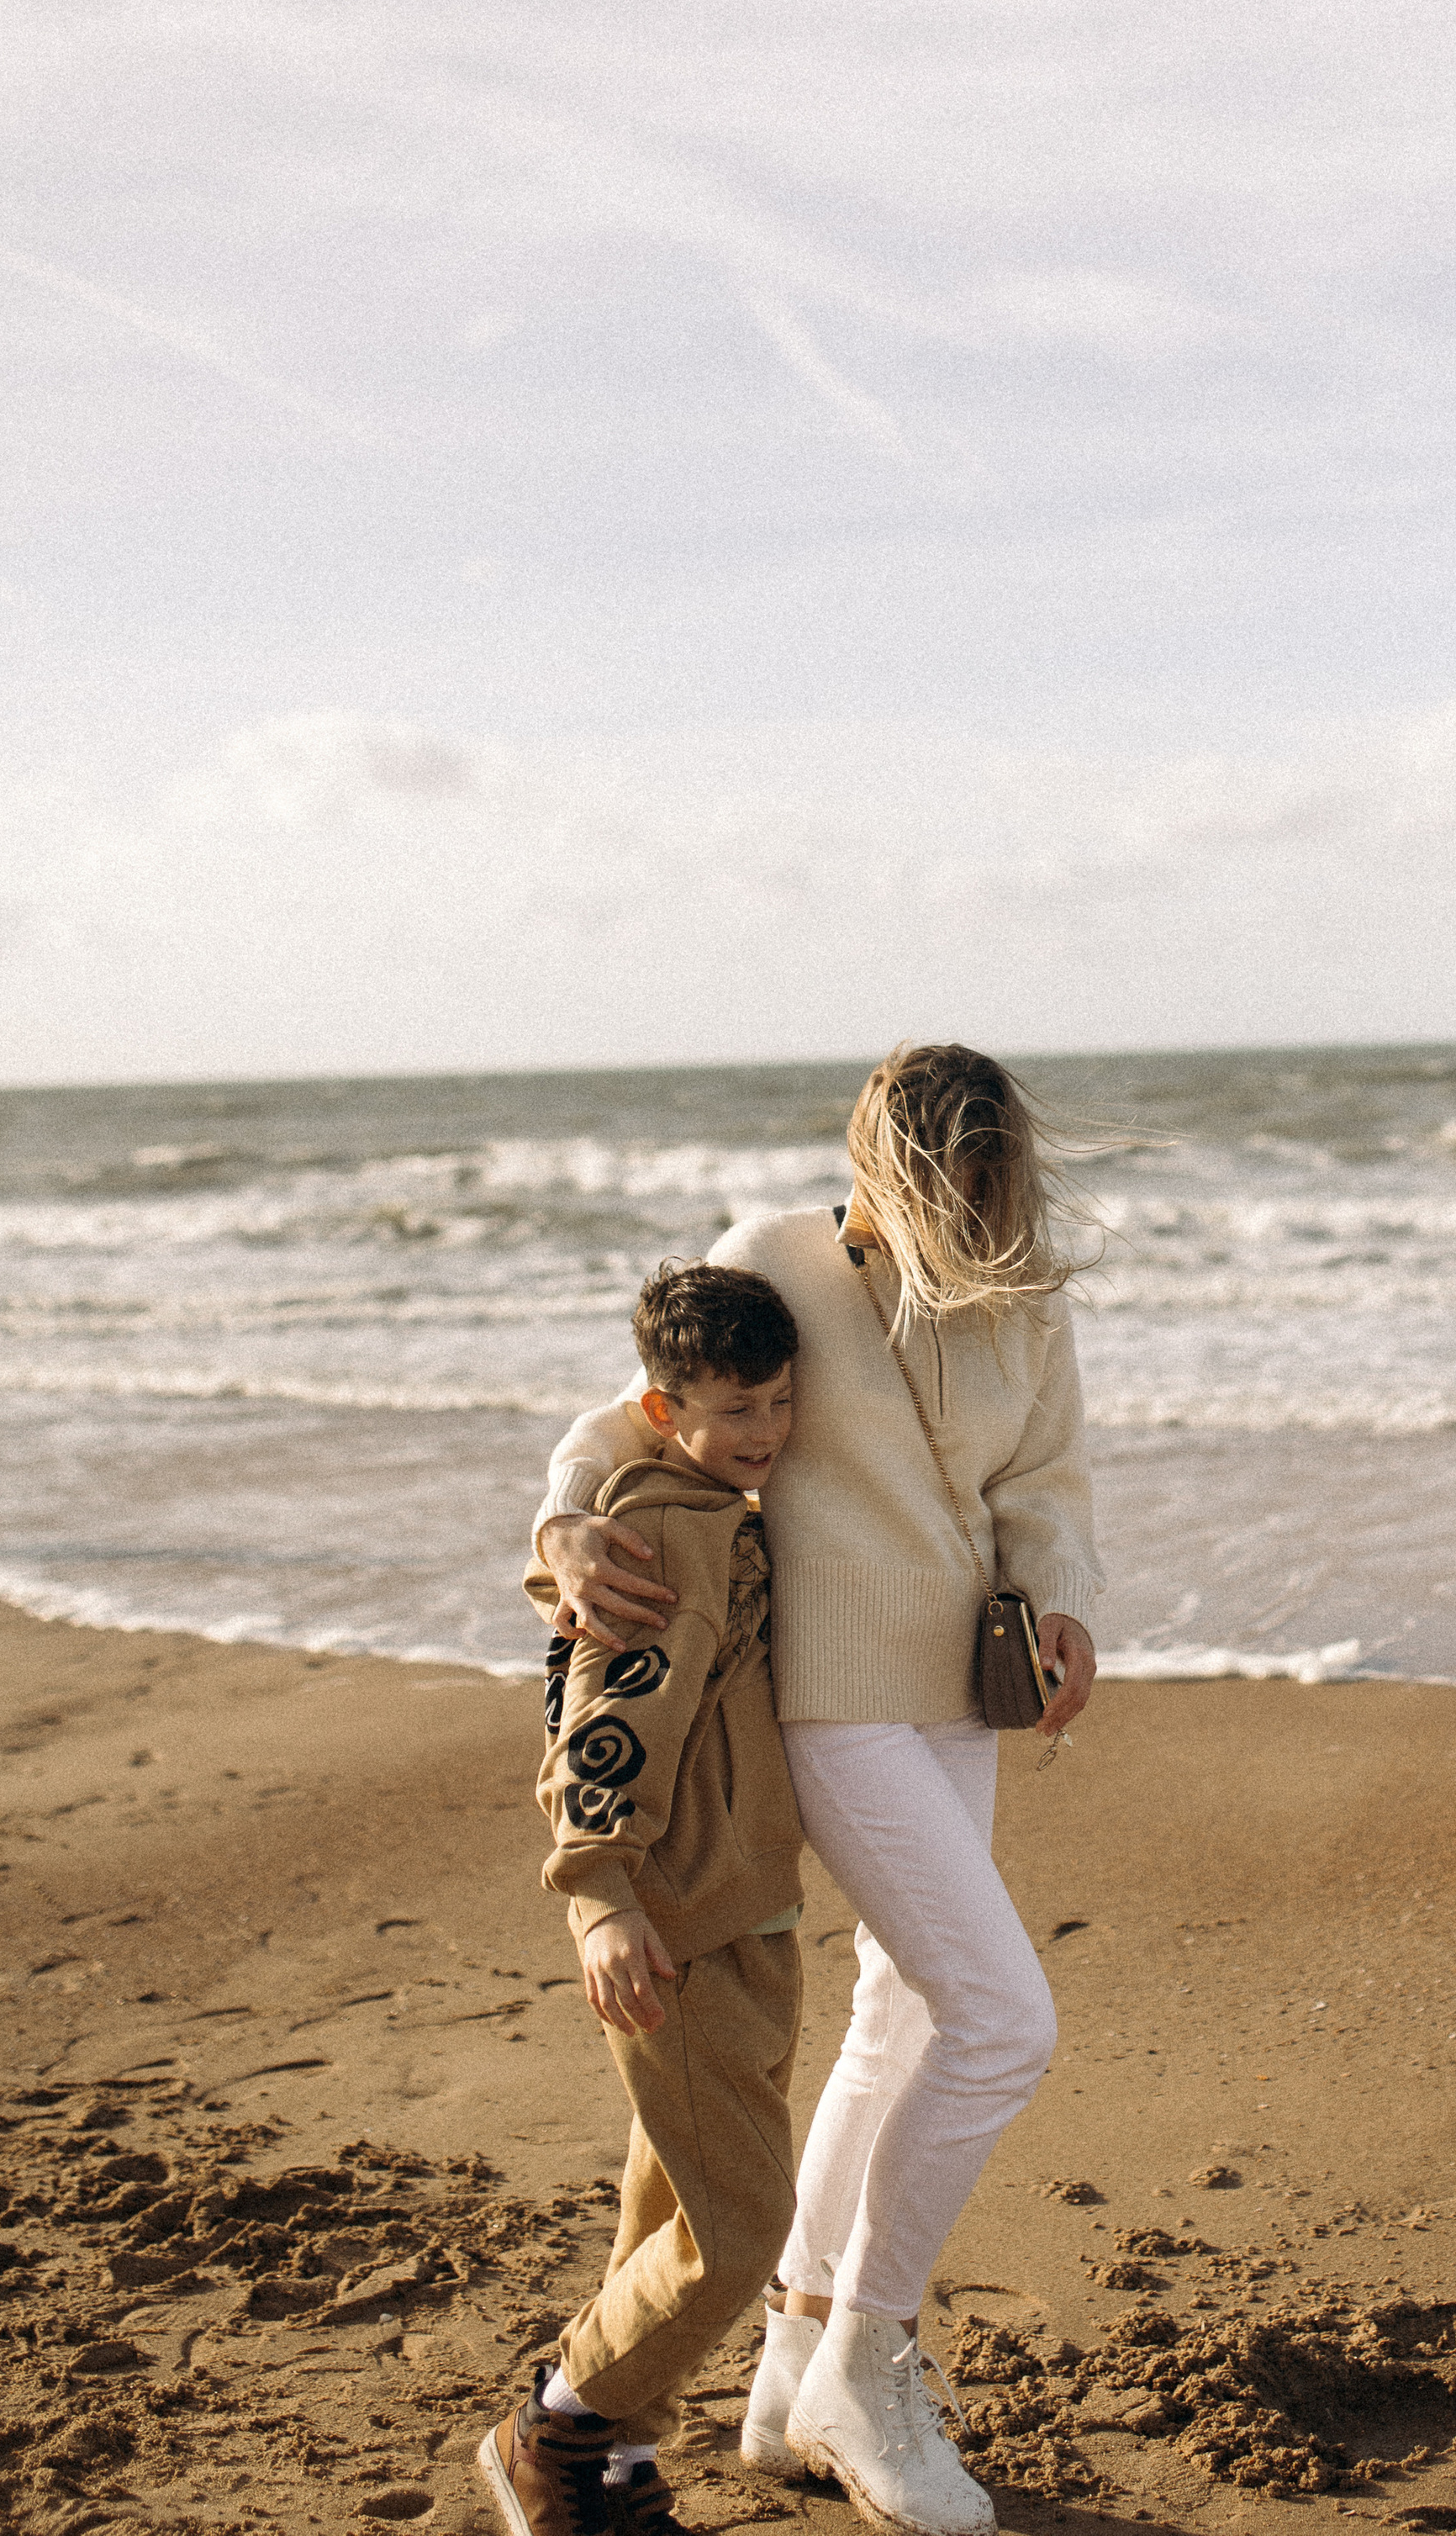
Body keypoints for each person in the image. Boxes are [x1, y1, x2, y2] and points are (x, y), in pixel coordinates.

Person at [536, 1044, 1104, 2536]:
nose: (972, 1214)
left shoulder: (1024, 1289)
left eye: (992, 1184)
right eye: (945, 1186)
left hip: (962, 1687)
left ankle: (791, 2368)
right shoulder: (775, 1260)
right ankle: (872, 2353)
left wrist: (1062, 1604)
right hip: (830, 1695)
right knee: (1002, 2018)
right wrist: (563, 1523)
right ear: (879, 1165)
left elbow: (1045, 1480)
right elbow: (630, 1418)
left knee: (904, 2010)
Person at [478, 1260, 807, 2536]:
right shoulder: (668, 1529)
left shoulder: (724, 1509)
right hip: (670, 1932)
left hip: (747, 1915)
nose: (763, 1433)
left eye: (777, 1403)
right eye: (733, 1413)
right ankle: (553, 2427)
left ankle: (614, 2465)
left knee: (668, 2207)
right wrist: (600, 1897)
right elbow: (600, 1730)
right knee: (739, 2229)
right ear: (665, 1413)